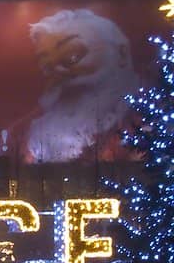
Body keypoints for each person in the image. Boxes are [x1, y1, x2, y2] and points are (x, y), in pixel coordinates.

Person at [25, 9, 138, 162]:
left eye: (72, 56)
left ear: (121, 53)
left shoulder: (144, 119)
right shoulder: (27, 130)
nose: (58, 73)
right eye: (48, 66)